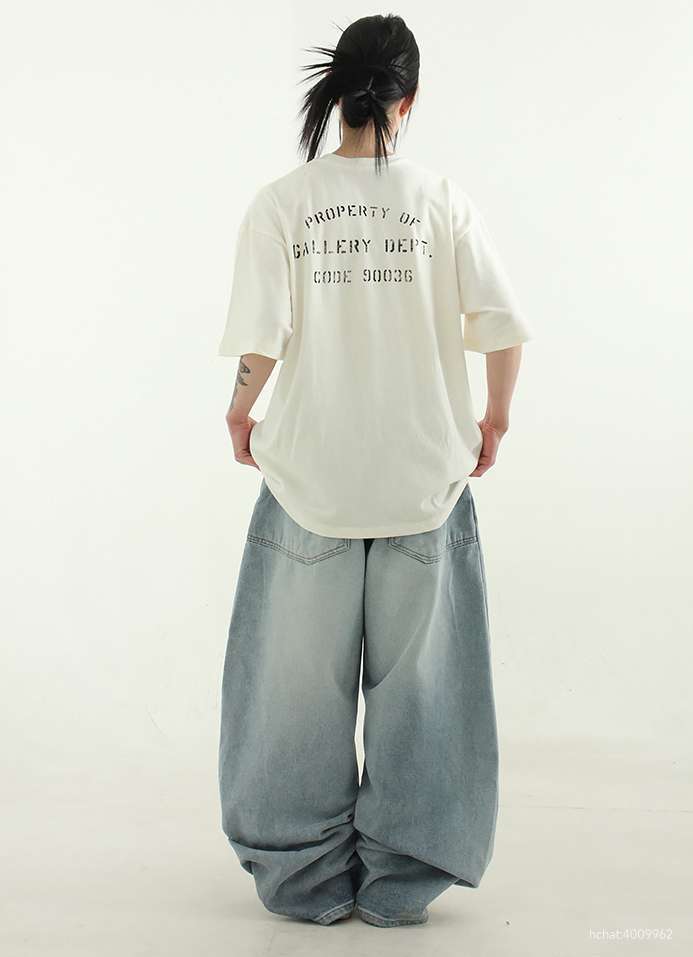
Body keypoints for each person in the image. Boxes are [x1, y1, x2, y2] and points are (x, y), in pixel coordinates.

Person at [217, 13, 533, 928]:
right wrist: (494, 418)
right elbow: (502, 326)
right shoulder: (440, 200)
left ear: (337, 95)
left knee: (292, 695)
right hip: (422, 483)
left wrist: (240, 410)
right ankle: (402, 879)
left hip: (310, 485)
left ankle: (301, 875)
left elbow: (260, 341)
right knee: (424, 696)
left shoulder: (282, 202)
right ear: (408, 99)